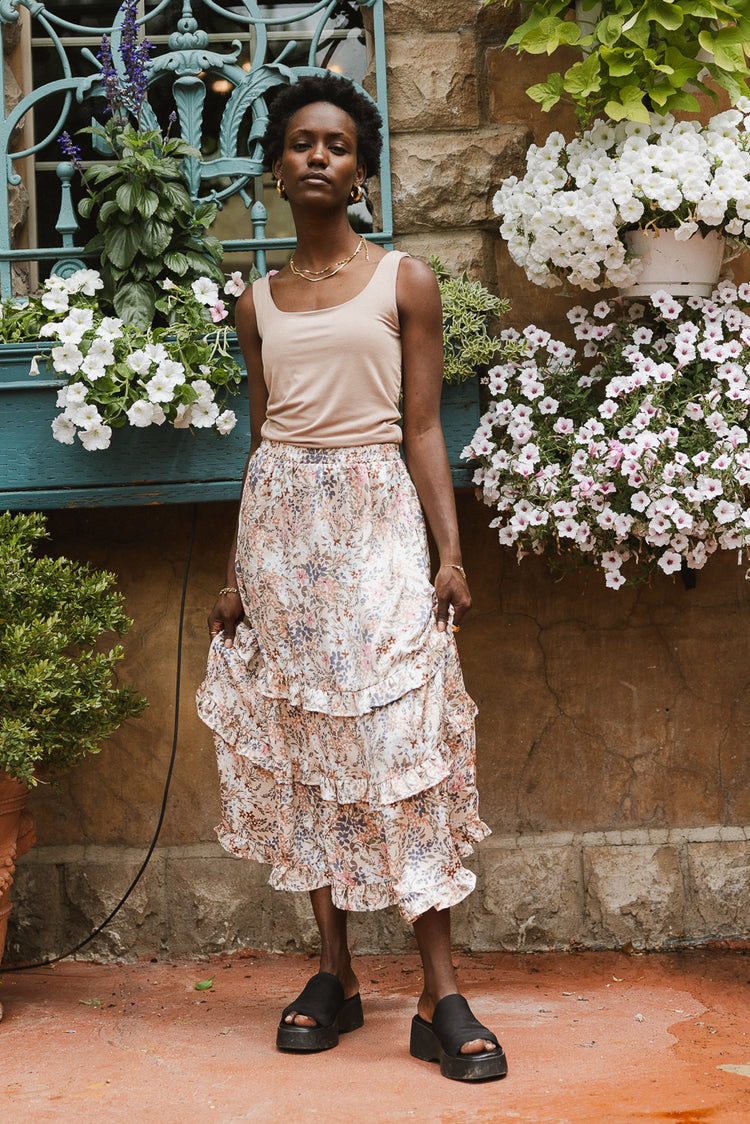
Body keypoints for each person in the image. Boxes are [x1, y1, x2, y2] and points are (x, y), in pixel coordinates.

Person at [196, 73, 506, 1083]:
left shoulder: (404, 280)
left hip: (376, 524)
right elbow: (260, 436)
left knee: (398, 740)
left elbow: (423, 425)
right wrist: (238, 569)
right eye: (299, 142)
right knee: (305, 749)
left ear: (360, 168)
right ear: (278, 169)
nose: (318, 155)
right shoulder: (256, 302)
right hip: (284, 534)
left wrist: (449, 554)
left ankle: (439, 988)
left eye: (336, 142)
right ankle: (332, 971)